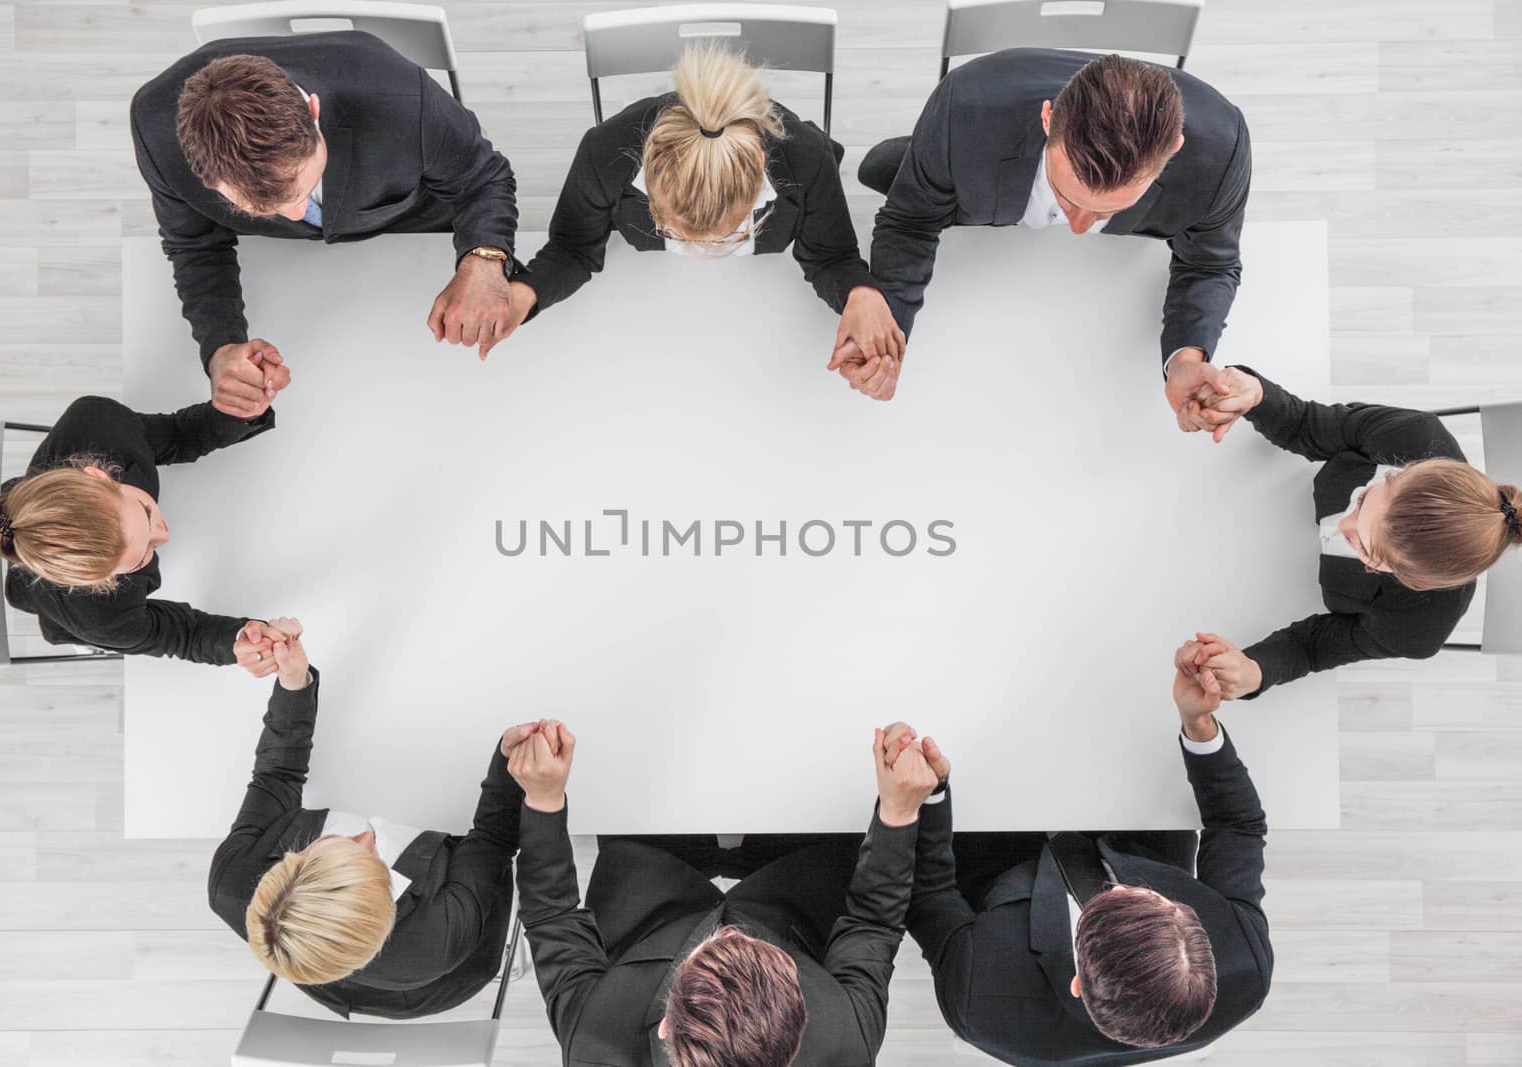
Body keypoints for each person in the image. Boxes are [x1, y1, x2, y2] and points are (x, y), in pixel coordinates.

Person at [893, 659, 1272, 1065]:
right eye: (1159, 900)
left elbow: (929, 894)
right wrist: (1200, 729)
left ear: (1077, 983)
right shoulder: (1244, 967)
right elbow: (1239, 826)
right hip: (1135, 823)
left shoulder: (980, 997)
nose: (1129, 885)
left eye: (1112, 899)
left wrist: (932, 793)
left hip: (996, 853)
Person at [131, 31, 519, 418]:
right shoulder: (154, 128)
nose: (298, 216)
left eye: (300, 189)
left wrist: (483, 259)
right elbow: (195, 245)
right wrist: (221, 348)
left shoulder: (401, 97)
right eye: (262, 208)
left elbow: (484, 177)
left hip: (415, 233)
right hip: (288, 272)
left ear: (313, 112)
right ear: (207, 179)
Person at [510, 722, 937, 1066]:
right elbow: (873, 924)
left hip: (652, 896)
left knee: (648, 737)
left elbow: (553, 919)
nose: (728, 926)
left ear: (665, 1027)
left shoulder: (595, 1047)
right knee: (819, 747)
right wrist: (900, 814)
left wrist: (543, 800)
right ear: (798, 1022)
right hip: (794, 887)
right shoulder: (845, 1044)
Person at [856, 49, 1250, 412]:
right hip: (981, 154)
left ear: (1174, 150)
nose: (1077, 228)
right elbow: (911, 221)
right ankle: (923, 157)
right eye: (1066, 198)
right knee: (883, 170)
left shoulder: (1222, 150)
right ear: (1047, 119)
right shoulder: (965, 102)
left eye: (1105, 211)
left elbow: (1210, 266)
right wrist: (886, 335)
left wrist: (1185, 360)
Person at [496, 44, 904, 393]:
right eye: (673, 229)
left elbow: (831, 257)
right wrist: (526, 293)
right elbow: (573, 245)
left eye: (725, 236)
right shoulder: (604, 153)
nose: (703, 249)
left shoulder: (808, 160)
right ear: (648, 171)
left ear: (761, 170)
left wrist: (860, 294)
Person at [210, 618, 532, 1017]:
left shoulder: (232, 881)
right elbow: (495, 840)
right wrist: (510, 761)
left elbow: (276, 776)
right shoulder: (437, 936)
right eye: (373, 860)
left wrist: (294, 684)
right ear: (389, 908)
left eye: (322, 848)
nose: (363, 836)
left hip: (326, 967)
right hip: (442, 975)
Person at [1175, 366, 1519, 697]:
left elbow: (1314, 649)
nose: (1340, 526)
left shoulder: (1419, 627)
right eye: (1363, 499)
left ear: (1413, 582)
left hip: (1268, 590)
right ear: (1400, 470)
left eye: (1365, 550)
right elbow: (1304, 423)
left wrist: (1256, 671)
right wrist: (1252, 394)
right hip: (1259, 489)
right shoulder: (1414, 435)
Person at [0, 394, 286, 671]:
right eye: (141, 558)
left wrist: (240, 410)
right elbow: (182, 635)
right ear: (103, 583)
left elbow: (180, 433)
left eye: (146, 511)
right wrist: (239, 639)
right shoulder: (100, 618)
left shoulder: (96, 422)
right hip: (64, 611)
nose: (165, 535)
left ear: (100, 475)